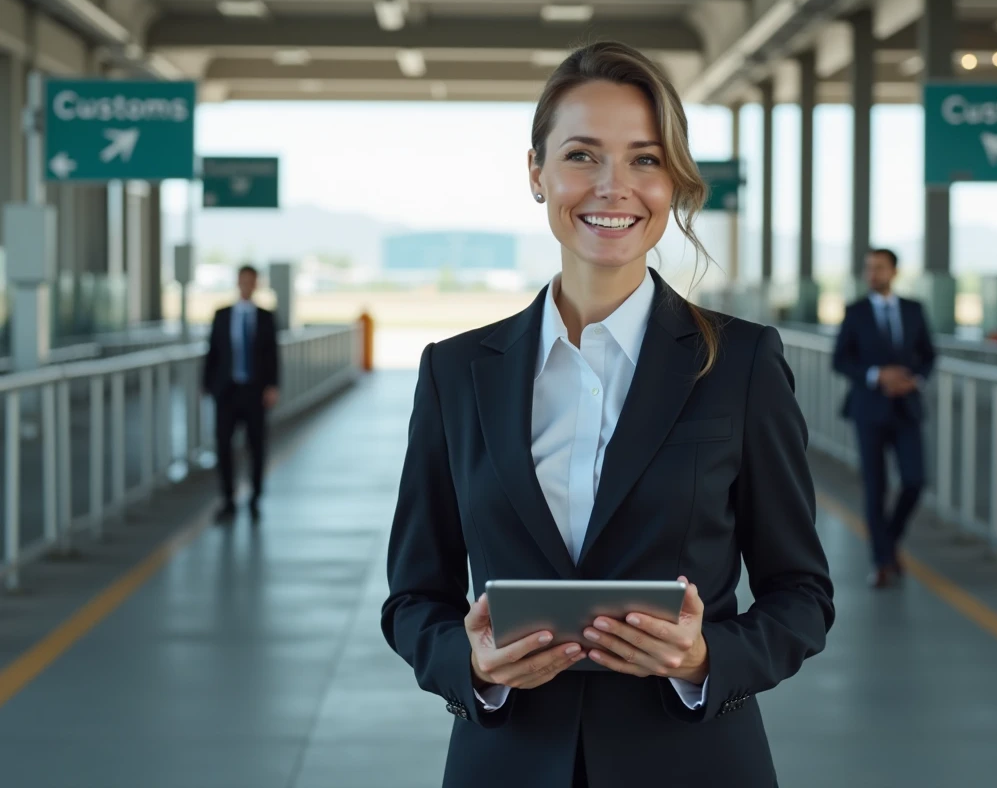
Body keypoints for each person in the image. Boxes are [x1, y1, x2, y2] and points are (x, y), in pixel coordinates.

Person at [380, 42, 834, 788]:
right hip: (507, 763)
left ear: (675, 180)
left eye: (645, 160)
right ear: (537, 173)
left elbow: (802, 596)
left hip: (694, 764)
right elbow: (413, 598)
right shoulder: (456, 373)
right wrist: (472, 664)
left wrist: (706, 659)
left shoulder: (742, 364)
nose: (613, 187)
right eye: (582, 156)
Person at [832, 248, 936, 589]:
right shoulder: (856, 312)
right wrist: (878, 375)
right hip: (869, 410)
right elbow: (841, 360)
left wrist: (912, 379)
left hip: (907, 408)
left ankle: (888, 542)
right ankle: (881, 561)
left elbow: (929, 355)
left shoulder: (913, 310)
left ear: (894, 271)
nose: (872, 274)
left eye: (879, 268)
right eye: (868, 268)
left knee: (915, 480)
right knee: (875, 488)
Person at [202, 264, 280, 522]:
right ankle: (227, 499)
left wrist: (273, 385)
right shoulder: (222, 314)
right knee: (223, 445)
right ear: (237, 282)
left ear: (256, 284)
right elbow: (212, 351)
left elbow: (272, 355)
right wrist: (208, 385)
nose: (247, 285)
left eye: (251, 281)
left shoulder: (266, 316)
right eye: (243, 280)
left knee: (256, 446)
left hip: (255, 392)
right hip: (227, 391)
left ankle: (255, 497)